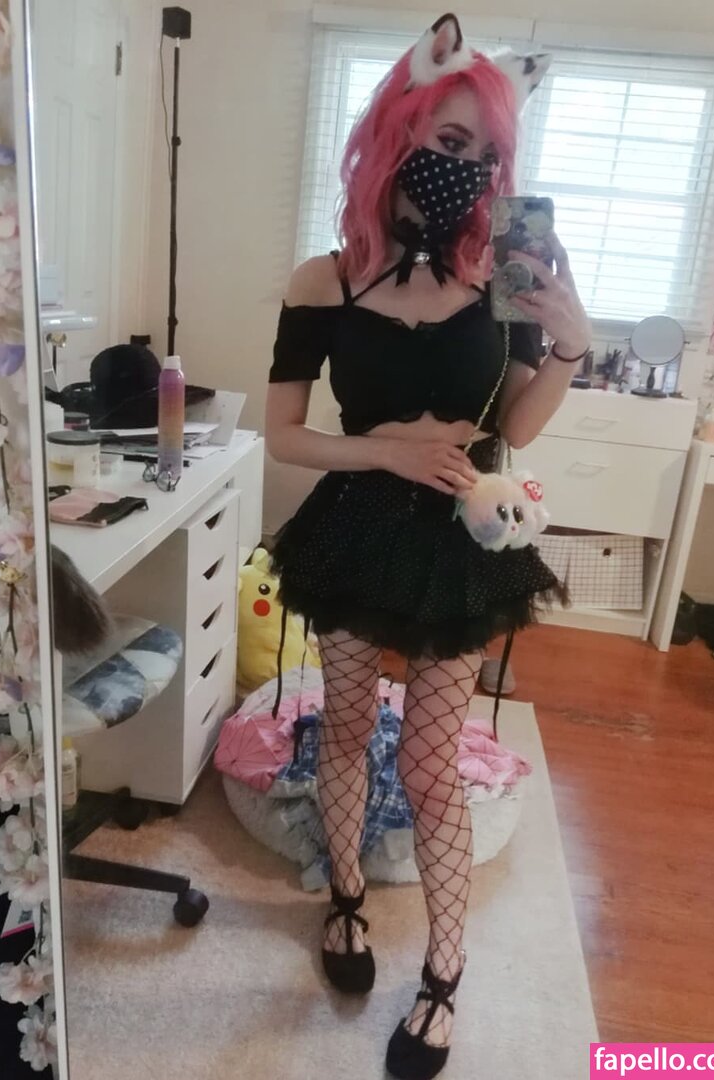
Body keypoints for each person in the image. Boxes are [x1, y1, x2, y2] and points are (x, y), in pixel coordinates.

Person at [264, 14, 590, 1080]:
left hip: (462, 534)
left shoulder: (504, 272)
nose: (468, 167)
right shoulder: (324, 279)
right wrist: (384, 452)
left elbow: (520, 425)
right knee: (348, 727)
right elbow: (283, 433)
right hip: (357, 525)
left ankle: (444, 974)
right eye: (450, 142)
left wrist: (571, 345)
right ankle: (346, 899)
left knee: (432, 760)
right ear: (396, 131)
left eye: (486, 153)